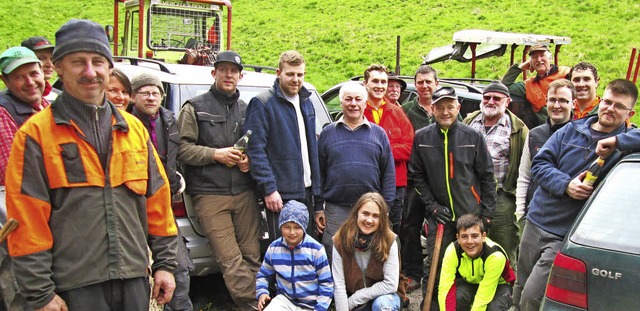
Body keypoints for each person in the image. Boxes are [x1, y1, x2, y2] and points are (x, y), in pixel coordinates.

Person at [5, 19, 178, 310]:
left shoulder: (133, 130)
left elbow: (158, 203)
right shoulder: (34, 136)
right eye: (78, 62)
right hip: (72, 286)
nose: (90, 72)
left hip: (134, 278)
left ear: (109, 68)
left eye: (98, 61)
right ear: (58, 67)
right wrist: (40, 293)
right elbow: (25, 221)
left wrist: (166, 264)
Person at [514, 79, 640, 311]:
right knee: (520, 286)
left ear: (630, 113)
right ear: (600, 102)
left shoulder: (627, 144)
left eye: (619, 106)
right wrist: (566, 185)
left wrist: (617, 140)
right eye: (608, 102)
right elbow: (540, 164)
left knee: (532, 296)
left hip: (565, 235)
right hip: (536, 222)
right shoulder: (571, 130)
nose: (611, 109)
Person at [178, 50, 261, 311]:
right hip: (209, 194)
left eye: (233, 71)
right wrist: (215, 154)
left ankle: (253, 303)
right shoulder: (195, 107)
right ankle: (254, 306)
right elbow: (182, 149)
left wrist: (249, 162)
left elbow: (258, 147)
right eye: (223, 70)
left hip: (245, 192)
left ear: (240, 76)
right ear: (214, 73)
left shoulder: (248, 110)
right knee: (230, 258)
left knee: (252, 255)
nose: (228, 75)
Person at [406, 86, 496, 310]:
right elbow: (416, 176)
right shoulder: (422, 138)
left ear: (458, 107)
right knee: (435, 269)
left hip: (470, 215)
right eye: (440, 107)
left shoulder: (472, 136)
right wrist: (432, 206)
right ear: (432, 110)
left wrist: (486, 216)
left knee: (470, 269)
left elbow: (487, 177)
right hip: (440, 218)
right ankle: (431, 306)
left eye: (450, 106)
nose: (445, 112)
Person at [128, 73, 193, 311]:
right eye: (145, 92)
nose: (151, 97)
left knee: (179, 268)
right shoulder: (125, 123)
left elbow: (178, 155)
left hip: (164, 207)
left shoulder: (169, 120)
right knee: (140, 272)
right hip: (134, 208)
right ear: (133, 96)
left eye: (155, 93)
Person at [245, 50, 324, 239]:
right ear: (278, 73)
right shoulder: (263, 103)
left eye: (300, 74)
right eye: (290, 74)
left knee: (306, 253)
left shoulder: (307, 102)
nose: (295, 79)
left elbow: (313, 150)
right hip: (281, 195)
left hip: (307, 192)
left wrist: (318, 200)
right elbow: (256, 150)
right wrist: (269, 188)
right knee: (283, 254)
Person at [318, 81, 396, 257]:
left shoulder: (379, 134)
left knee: (367, 255)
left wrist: (386, 207)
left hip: (371, 210)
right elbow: (319, 173)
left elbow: (388, 173)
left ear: (365, 103)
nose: (353, 103)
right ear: (341, 103)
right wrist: (317, 207)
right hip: (336, 208)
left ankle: (364, 286)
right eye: (348, 99)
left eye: (358, 99)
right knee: (333, 251)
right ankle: (336, 285)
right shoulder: (328, 133)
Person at [463, 80, 528, 268]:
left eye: (496, 98)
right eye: (487, 97)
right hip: (470, 197)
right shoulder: (469, 122)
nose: (490, 101)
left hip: (502, 198)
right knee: (471, 245)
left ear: (507, 101)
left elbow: (526, 169)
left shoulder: (518, 129)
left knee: (503, 246)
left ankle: (505, 293)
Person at [514, 79, 575, 232]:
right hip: (532, 217)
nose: (556, 105)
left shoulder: (580, 136)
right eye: (552, 100)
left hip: (565, 219)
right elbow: (524, 175)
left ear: (573, 103)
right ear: (546, 102)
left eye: (563, 100)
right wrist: (520, 214)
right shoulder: (535, 134)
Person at [362, 64, 413, 234]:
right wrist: (392, 150)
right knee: (364, 232)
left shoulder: (398, 113)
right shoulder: (357, 112)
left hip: (395, 187)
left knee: (391, 233)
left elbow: (409, 148)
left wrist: (379, 151)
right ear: (365, 84)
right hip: (365, 184)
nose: (380, 86)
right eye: (375, 81)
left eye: (383, 82)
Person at [256, 200, 334, 311]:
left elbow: (326, 283)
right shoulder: (274, 248)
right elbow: (263, 274)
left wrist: (320, 308)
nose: (292, 232)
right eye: (287, 227)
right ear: (280, 227)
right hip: (284, 300)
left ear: (304, 227)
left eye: (297, 227)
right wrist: (262, 292)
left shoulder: (316, 250)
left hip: (311, 304)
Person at [332, 192, 402, 311]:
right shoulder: (339, 240)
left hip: (382, 296)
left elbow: (390, 284)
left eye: (375, 216)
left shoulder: (389, 240)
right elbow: (339, 285)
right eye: (365, 213)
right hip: (351, 296)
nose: (369, 220)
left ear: (382, 219)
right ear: (356, 214)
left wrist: (355, 299)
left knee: (383, 305)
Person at [438, 214, 515, 311]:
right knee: (455, 298)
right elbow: (445, 287)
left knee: (493, 308)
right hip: (471, 283)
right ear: (458, 238)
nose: (470, 241)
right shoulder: (452, 250)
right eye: (464, 236)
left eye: (475, 236)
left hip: (499, 286)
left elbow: (483, 296)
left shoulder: (495, 256)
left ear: (483, 236)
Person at [502, 44, 571, 129]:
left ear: (550, 58)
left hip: (568, 126)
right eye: (534, 57)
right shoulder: (528, 85)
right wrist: (519, 68)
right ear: (530, 62)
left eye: (542, 56)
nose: (539, 60)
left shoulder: (565, 73)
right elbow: (503, 88)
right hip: (545, 130)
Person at [21, 36, 61, 102]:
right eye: (41, 58)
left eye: (52, 59)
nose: (50, 64)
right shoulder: (8, 100)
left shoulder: (60, 97)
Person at [402, 65, 439, 131]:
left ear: (436, 84)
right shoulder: (405, 110)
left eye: (428, 82)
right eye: (420, 82)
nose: (424, 86)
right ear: (415, 85)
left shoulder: (447, 109)